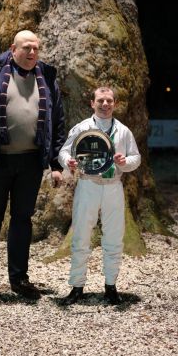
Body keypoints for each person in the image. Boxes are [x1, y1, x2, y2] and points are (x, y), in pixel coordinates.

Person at [0, 30, 65, 306]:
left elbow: (57, 121)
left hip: (31, 162)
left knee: (22, 220)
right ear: (13, 49)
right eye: (26, 48)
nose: (32, 53)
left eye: (36, 48)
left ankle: (19, 279)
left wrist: (56, 162)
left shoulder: (47, 76)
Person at [58, 86, 141, 305]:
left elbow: (136, 158)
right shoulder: (82, 128)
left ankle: (111, 286)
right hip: (88, 185)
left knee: (114, 237)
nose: (105, 105)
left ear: (115, 103)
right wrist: (69, 162)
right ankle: (77, 287)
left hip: (113, 186)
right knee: (81, 236)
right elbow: (64, 151)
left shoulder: (123, 131)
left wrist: (126, 162)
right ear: (92, 103)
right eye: (101, 100)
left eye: (109, 101)